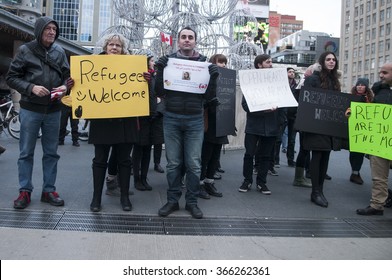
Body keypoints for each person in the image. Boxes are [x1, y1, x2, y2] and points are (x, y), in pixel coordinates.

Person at [155, 26, 219, 219]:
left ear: (195, 41)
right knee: (173, 163)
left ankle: (192, 202)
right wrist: (159, 69)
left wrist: (213, 78)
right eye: (183, 37)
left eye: (190, 37)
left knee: (194, 164)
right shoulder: (169, 62)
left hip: (194, 119)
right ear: (178, 41)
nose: (187, 40)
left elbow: (208, 97)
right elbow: (159, 92)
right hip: (172, 117)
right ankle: (172, 200)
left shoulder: (203, 64)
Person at [6, 16, 70, 209]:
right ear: (39, 30)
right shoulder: (25, 50)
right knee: (26, 152)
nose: (52, 32)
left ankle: (48, 190)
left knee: (51, 153)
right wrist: (31, 87)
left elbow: (67, 77)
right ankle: (25, 191)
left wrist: (65, 87)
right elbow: (11, 77)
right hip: (30, 109)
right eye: (47, 29)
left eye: (54, 29)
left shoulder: (60, 52)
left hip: (53, 110)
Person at [87, 33, 138, 212]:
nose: (114, 48)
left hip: (126, 120)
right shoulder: (92, 66)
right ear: (105, 48)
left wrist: (146, 80)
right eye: (111, 45)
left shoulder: (133, 67)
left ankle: (124, 197)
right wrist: (73, 83)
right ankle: (96, 198)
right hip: (102, 120)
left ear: (123, 49)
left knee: (124, 161)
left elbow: (139, 91)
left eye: (118, 45)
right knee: (100, 160)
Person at [239, 54, 285, 195]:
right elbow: (245, 105)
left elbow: (284, 102)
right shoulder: (251, 83)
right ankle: (247, 180)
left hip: (272, 126)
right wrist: (262, 109)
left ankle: (261, 182)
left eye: (271, 62)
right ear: (259, 64)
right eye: (268, 62)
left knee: (266, 156)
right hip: (254, 125)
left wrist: (281, 122)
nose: (271, 64)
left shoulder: (278, 82)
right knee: (249, 154)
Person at [303, 51, 342, 208]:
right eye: (328, 59)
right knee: (317, 156)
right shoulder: (313, 79)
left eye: (333, 59)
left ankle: (320, 190)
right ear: (322, 61)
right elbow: (306, 100)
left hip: (328, 126)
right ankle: (315, 192)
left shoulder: (335, 81)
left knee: (325, 156)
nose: (331, 62)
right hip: (315, 126)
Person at [356, 62, 392, 216]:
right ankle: (377, 205)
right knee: (379, 176)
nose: (381, 75)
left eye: (385, 72)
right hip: (380, 140)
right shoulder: (378, 91)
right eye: (380, 72)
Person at [198, 54, 228, 199]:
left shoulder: (226, 81)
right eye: (219, 62)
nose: (222, 65)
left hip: (221, 123)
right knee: (205, 156)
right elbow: (200, 100)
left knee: (215, 156)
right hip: (208, 123)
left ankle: (209, 181)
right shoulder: (206, 78)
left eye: (224, 63)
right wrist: (208, 104)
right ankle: (200, 183)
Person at [133, 54, 163, 191]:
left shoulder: (154, 77)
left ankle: (144, 178)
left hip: (154, 117)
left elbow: (159, 93)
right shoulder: (138, 76)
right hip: (141, 118)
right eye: (151, 60)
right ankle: (137, 179)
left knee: (147, 150)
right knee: (139, 149)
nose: (153, 62)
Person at [347, 78, 374, 185]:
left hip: (365, 129)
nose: (360, 86)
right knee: (353, 152)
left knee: (359, 152)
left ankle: (355, 172)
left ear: (366, 87)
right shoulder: (351, 97)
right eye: (358, 84)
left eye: (363, 85)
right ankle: (355, 172)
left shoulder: (371, 99)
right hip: (352, 128)